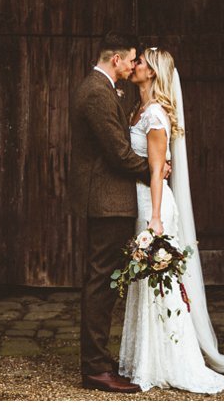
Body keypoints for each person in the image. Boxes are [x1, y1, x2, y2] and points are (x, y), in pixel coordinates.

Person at [119, 47, 224, 393]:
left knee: (160, 287)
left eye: (140, 62)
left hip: (152, 206)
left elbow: (156, 171)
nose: (134, 65)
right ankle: (145, 358)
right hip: (140, 201)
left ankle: (171, 361)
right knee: (144, 284)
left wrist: (154, 219)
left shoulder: (155, 115)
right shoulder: (139, 108)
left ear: (152, 73)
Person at [69, 32, 150, 394]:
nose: (134, 66)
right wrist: (155, 169)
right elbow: (118, 152)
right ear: (115, 59)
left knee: (104, 282)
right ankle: (95, 368)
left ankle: (99, 360)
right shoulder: (97, 92)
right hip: (105, 200)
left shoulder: (104, 89)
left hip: (110, 198)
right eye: (132, 59)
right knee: (101, 282)